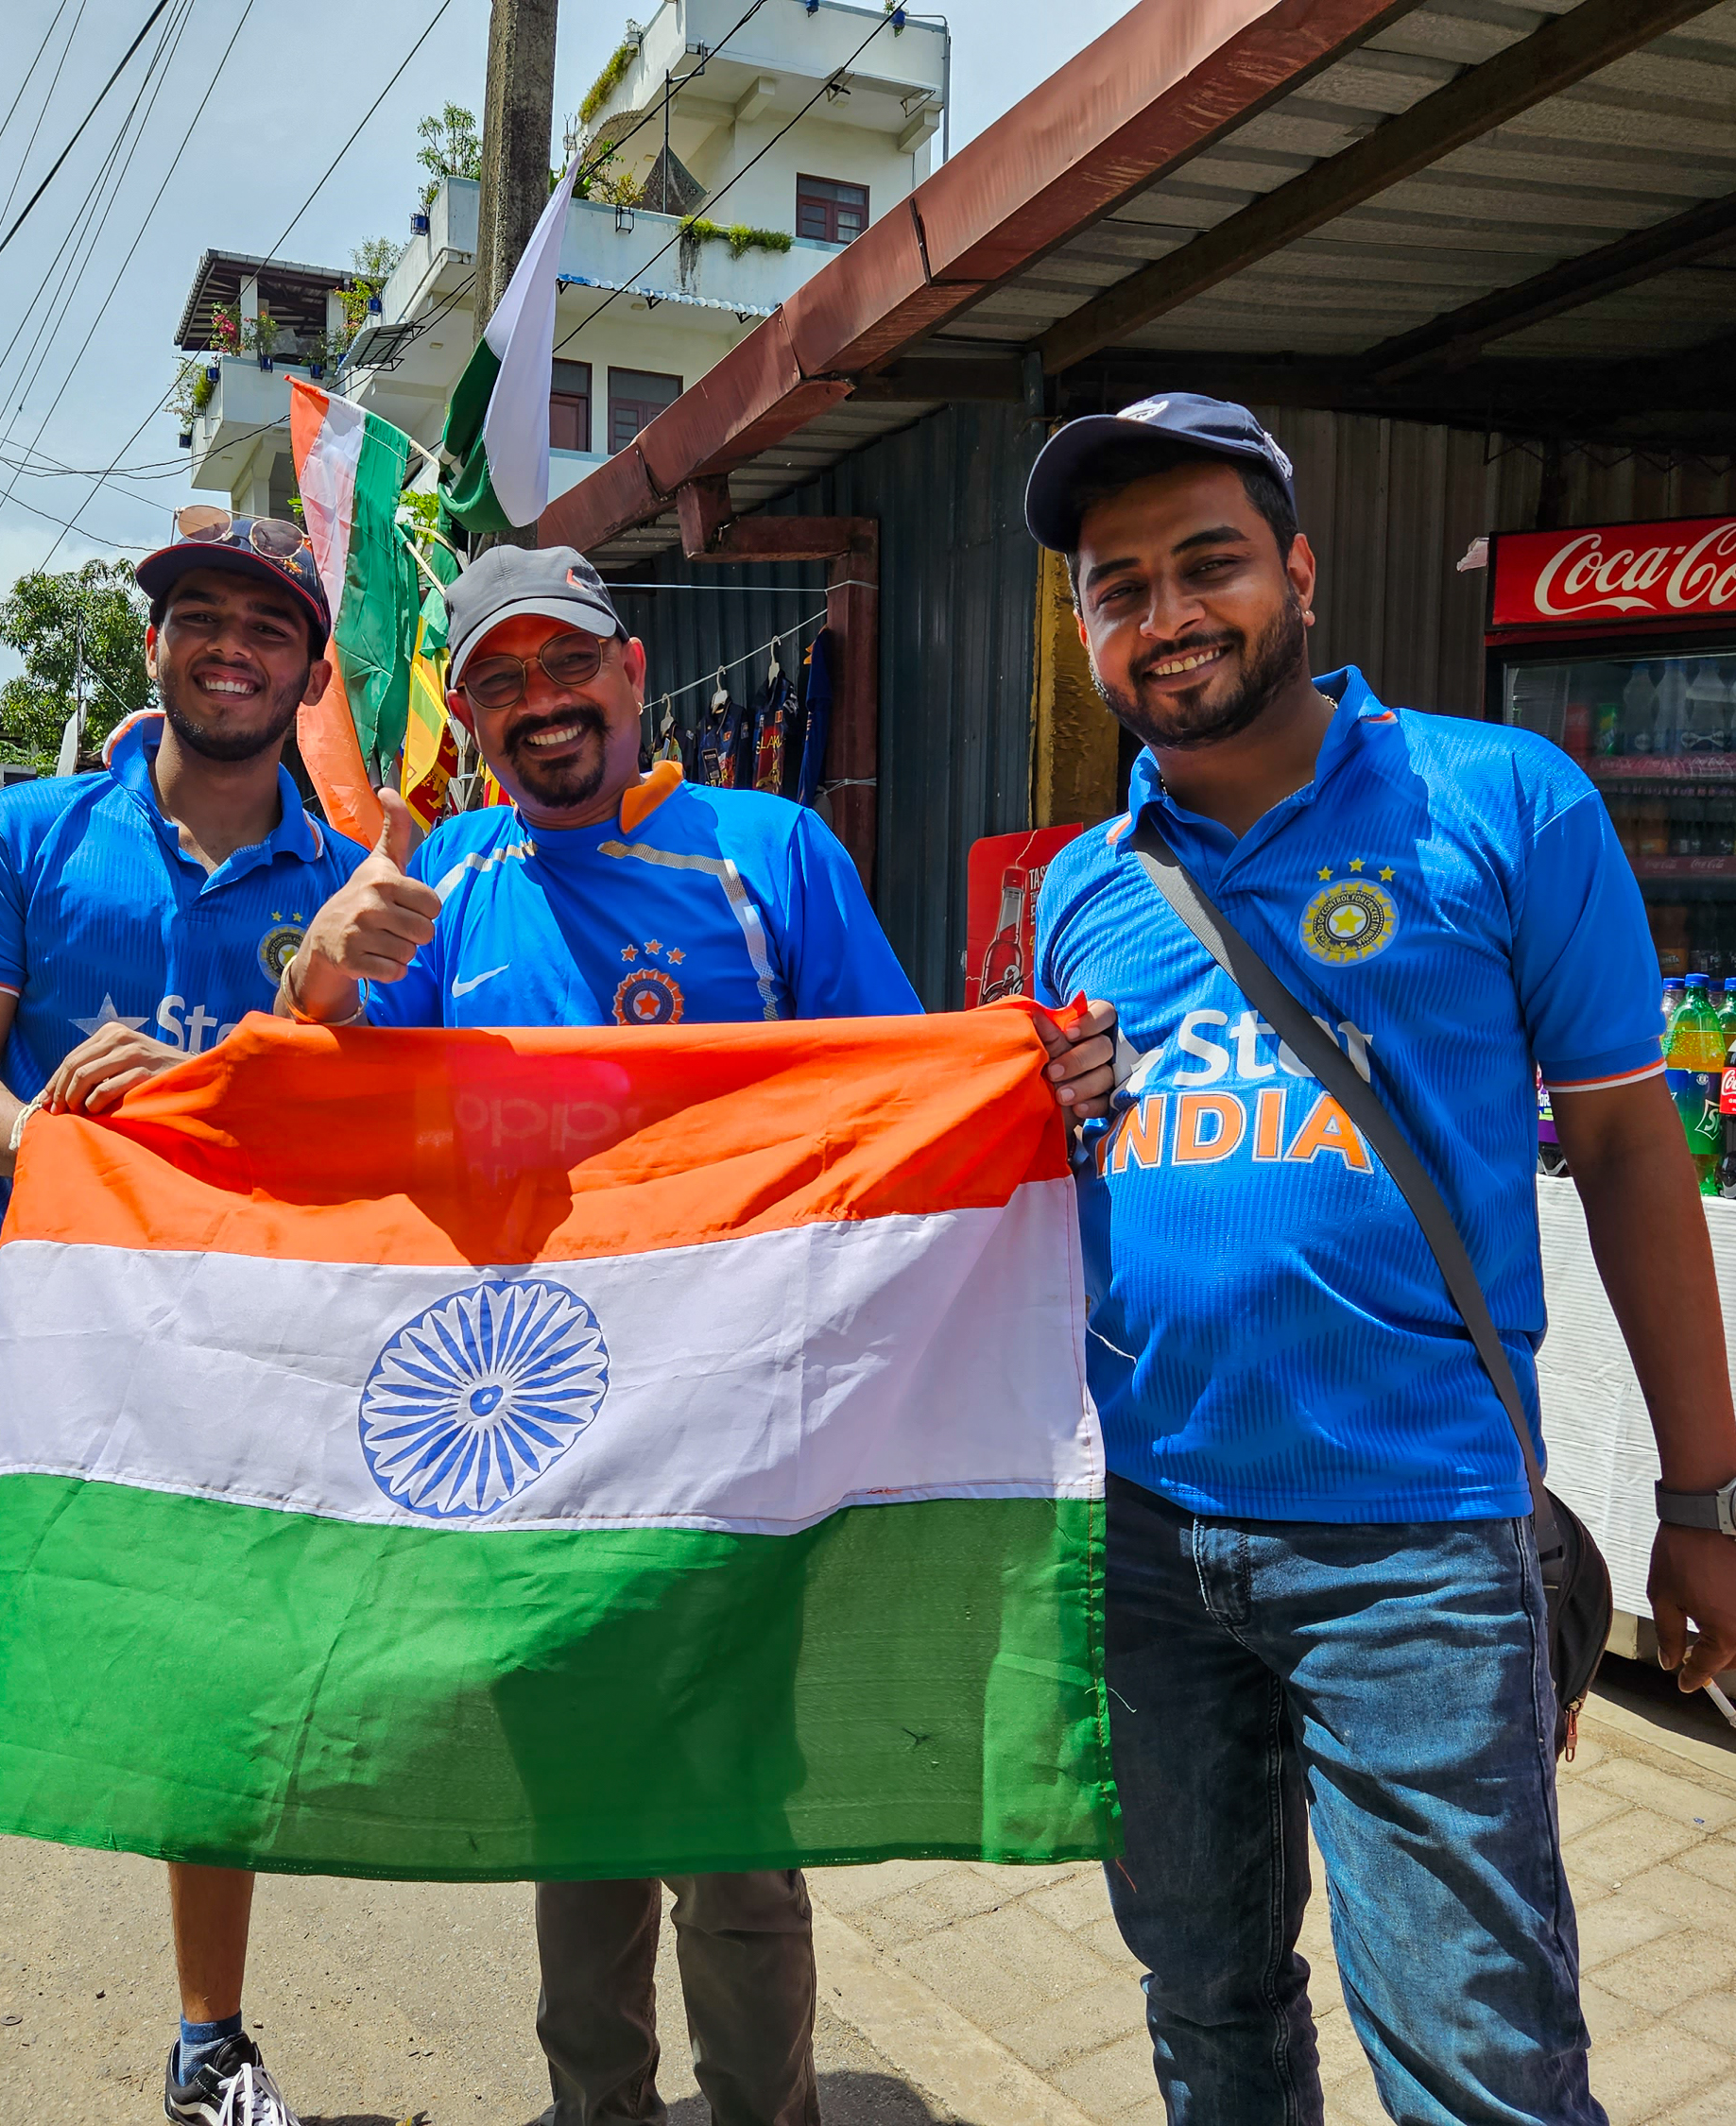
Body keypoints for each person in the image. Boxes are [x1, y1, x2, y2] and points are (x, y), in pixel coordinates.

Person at [282, 545, 1118, 2126]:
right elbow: (319, 1090)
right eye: (503, 685)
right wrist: (330, 956)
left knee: (736, 1846)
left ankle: (765, 2115)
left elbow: (889, 1088)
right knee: (580, 1833)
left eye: (565, 668)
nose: (541, 707)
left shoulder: (771, 850)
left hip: (743, 1440)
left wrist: (1025, 1078)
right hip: (535, 1447)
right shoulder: (439, 883)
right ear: (463, 715)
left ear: (630, 670)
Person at [1020, 397, 1736, 2125]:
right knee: (1207, 2009)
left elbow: (1628, 1151)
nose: (1166, 615)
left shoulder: (1503, 801)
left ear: (1297, 570)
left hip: (1418, 1550)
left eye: (1206, 564)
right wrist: (1036, 1113)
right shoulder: (1082, 885)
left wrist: (1709, 1496)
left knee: (1477, 2066)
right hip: (1145, 1543)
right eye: (1115, 587)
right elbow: (1053, 1199)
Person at [0, 510, 364, 2126]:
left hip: (248, 1365)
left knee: (219, 1731)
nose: (231, 647)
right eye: (201, 617)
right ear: (156, 648)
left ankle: (211, 2044)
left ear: (309, 668)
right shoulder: (30, 836)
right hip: (40, 1359)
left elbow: (367, 1125)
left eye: (265, 628)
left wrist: (236, 1076)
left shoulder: (348, 890)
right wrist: (84, 1145)